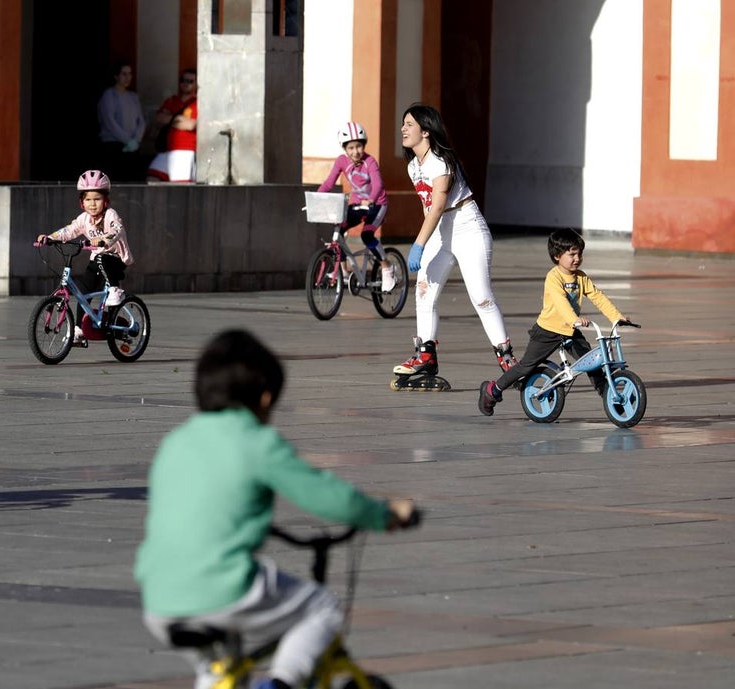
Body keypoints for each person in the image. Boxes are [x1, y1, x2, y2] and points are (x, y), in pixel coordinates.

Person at [135, 329, 419, 689]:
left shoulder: (175, 443)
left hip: (159, 597)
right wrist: (383, 514)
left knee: (219, 673)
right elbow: (328, 497)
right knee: (323, 609)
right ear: (266, 398)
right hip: (222, 589)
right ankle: (281, 683)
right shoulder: (258, 442)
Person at [392, 103, 516, 390]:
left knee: (481, 297)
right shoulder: (414, 166)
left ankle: (507, 359)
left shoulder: (440, 161)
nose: (403, 129)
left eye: (409, 124)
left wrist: (418, 244)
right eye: (403, 123)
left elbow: (437, 207)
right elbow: (428, 209)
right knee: (423, 291)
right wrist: (429, 242)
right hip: (440, 230)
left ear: (426, 130)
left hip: (466, 225)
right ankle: (425, 355)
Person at [479, 228, 631, 415]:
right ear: (557, 256)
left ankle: (610, 396)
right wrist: (574, 319)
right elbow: (560, 302)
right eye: (572, 254)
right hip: (547, 331)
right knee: (527, 365)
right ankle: (492, 390)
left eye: (580, 254)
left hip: (570, 331)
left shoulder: (581, 277)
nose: (577, 258)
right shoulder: (554, 277)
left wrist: (617, 316)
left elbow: (598, 297)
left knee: (594, 364)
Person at [37, 170, 134, 346]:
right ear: (82, 202)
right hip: (97, 259)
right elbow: (70, 230)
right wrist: (50, 237)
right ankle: (79, 331)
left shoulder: (111, 215)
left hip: (115, 258)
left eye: (97, 199)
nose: (92, 204)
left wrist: (104, 240)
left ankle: (114, 290)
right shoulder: (84, 219)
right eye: (88, 200)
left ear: (106, 200)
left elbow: (117, 230)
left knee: (102, 259)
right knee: (83, 292)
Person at [316, 121, 393, 290]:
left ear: (363, 145)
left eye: (358, 146)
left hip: (377, 204)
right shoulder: (342, 161)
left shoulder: (370, 161)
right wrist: (317, 197)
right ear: (345, 149)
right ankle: (343, 272)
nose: (355, 151)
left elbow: (378, 184)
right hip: (358, 205)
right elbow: (329, 182)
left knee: (367, 235)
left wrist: (372, 199)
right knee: (339, 231)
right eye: (350, 148)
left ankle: (387, 266)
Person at [97, 60, 147, 182]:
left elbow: (141, 121)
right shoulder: (109, 94)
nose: (127, 77)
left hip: (133, 148)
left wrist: (136, 139)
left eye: (129, 74)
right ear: (116, 76)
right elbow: (109, 121)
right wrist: (127, 140)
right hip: (115, 146)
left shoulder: (133, 96)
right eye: (124, 74)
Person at [146, 68, 198, 183]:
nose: (186, 83)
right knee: (152, 179)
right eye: (183, 80)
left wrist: (169, 118)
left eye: (190, 81)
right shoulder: (171, 100)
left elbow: (191, 125)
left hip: (185, 150)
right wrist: (178, 120)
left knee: (180, 186)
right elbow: (158, 119)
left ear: (196, 84)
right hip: (167, 149)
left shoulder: (197, 103)